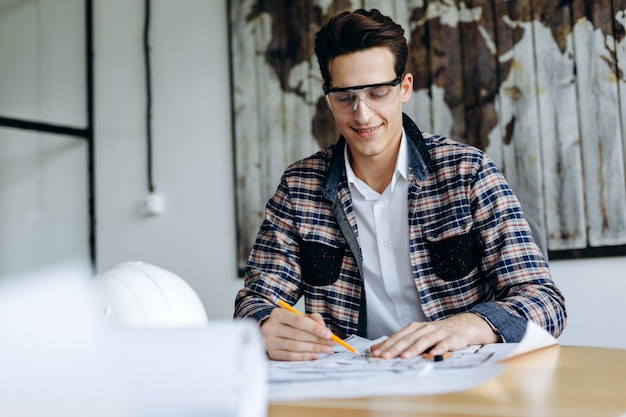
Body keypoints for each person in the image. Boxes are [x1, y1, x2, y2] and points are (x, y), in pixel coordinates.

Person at [234, 8, 566, 361]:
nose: (362, 114)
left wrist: (461, 327)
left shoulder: (468, 171)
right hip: (357, 388)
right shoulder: (300, 187)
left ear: (405, 87)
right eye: (345, 97)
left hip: (464, 383)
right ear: (327, 96)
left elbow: (545, 302)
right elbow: (254, 300)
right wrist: (266, 324)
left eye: (377, 92)